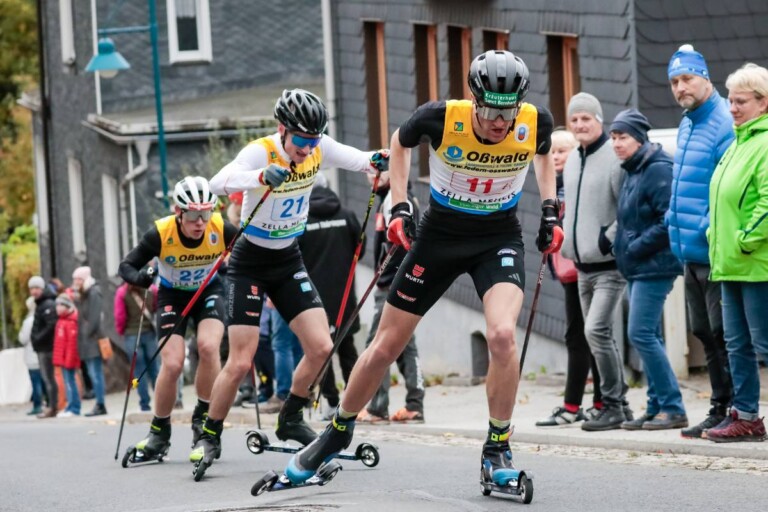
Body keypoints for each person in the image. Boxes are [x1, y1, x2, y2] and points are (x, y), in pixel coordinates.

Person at [284, 50, 560, 485]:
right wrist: (399, 206)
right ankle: (337, 430)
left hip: (497, 239)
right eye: (489, 110)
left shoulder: (533, 121)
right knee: (385, 344)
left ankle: (497, 446)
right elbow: (399, 143)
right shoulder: (439, 117)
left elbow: (543, 152)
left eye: (506, 112)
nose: (498, 123)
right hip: (439, 239)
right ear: (473, 100)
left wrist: (550, 209)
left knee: (503, 335)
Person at [194, 88, 387, 474]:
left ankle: (291, 415)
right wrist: (259, 177)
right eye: (300, 140)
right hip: (250, 260)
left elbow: (359, 159)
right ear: (282, 129)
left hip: (288, 257)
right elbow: (218, 181)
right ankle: (208, 433)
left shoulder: (317, 146)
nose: (307, 147)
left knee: (321, 346)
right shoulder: (260, 151)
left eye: (313, 140)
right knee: (241, 359)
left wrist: (379, 159)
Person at [119, 176, 237, 462]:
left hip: (209, 291)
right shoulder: (161, 233)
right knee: (172, 363)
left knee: (209, 348)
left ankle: (203, 417)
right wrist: (141, 277)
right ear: (178, 212)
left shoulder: (220, 227)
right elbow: (126, 266)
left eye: (206, 213)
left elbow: (249, 252)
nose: (201, 222)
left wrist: (233, 267)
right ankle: (159, 432)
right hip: (173, 297)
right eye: (194, 215)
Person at [666, 44, 736, 439]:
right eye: (675, 81)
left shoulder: (723, 121)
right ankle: (718, 406)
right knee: (704, 332)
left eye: (687, 78)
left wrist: (707, 228)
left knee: (723, 333)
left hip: (712, 250)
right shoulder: (687, 121)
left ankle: (735, 409)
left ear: (705, 78)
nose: (680, 87)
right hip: (687, 252)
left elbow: (726, 186)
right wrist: (671, 222)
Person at [609, 109, 688, 430]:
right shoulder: (633, 169)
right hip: (638, 266)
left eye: (622, 137)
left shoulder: (657, 169)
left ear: (640, 138)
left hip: (655, 265)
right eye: (613, 137)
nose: (616, 144)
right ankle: (657, 407)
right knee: (650, 334)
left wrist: (636, 246)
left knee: (639, 332)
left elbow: (667, 220)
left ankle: (673, 406)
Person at [561, 92, 633, 432]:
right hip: (581, 267)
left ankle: (613, 403)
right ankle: (619, 403)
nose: (579, 125)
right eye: (574, 119)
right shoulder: (574, 158)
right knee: (597, 337)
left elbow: (627, 207)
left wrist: (610, 235)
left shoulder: (613, 157)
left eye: (586, 118)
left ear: (599, 120)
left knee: (596, 331)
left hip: (608, 266)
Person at [706, 63, 768, 443]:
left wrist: (745, 239)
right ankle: (747, 416)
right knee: (737, 346)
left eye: (741, 101)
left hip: (756, 263)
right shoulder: (738, 142)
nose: (732, 107)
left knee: (764, 345)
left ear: (764, 103)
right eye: (730, 100)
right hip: (729, 262)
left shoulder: (763, 144)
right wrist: (718, 235)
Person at [537, 127, 602, 426]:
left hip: (584, 268)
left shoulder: (576, 183)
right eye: (551, 152)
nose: (556, 157)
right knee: (578, 336)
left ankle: (583, 404)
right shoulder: (548, 189)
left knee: (587, 336)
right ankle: (579, 404)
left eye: (562, 150)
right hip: (566, 272)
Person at [358, 177, 426, 424]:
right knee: (406, 344)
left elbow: (401, 244)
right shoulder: (403, 198)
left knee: (378, 343)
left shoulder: (395, 199)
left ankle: (377, 407)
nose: (370, 176)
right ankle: (415, 405)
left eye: (377, 170)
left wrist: (387, 276)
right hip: (401, 280)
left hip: (392, 282)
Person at [297, 172, 363, 417]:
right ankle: (357, 400)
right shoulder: (346, 215)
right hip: (345, 293)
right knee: (347, 347)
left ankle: (332, 402)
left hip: (314, 298)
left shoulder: (300, 221)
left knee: (321, 350)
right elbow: (361, 247)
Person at [114, 280, 160, 412]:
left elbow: (120, 316)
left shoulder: (122, 292)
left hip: (132, 336)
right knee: (154, 370)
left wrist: (122, 331)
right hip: (150, 334)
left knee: (138, 373)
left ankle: (144, 403)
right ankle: (161, 400)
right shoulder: (151, 289)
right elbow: (156, 307)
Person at [71, 266, 108, 417]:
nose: (76, 282)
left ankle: (100, 404)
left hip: (92, 339)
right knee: (93, 373)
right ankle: (99, 403)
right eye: (75, 279)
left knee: (95, 373)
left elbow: (93, 318)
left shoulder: (93, 293)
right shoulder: (84, 294)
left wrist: (86, 332)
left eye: (79, 279)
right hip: (87, 340)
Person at [28, 276, 59, 419]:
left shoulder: (47, 304)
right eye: (31, 288)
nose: (33, 291)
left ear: (42, 288)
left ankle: (53, 407)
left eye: (36, 288)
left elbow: (50, 325)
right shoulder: (41, 303)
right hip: (42, 347)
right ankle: (51, 406)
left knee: (49, 378)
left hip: (47, 347)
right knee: (47, 378)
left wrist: (37, 338)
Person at [53, 293, 81, 418]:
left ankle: (74, 408)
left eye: (61, 305)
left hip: (68, 360)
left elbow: (71, 344)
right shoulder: (61, 321)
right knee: (67, 382)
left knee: (70, 383)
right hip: (63, 359)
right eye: (57, 305)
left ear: (67, 306)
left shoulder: (70, 322)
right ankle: (69, 406)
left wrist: (69, 360)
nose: (58, 308)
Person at [19, 296, 44, 416]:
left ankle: (38, 405)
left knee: (35, 381)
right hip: (41, 352)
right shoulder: (41, 317)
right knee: (43, 379)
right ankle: (47, 402)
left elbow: (23, 338)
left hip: (31, 353)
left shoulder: (28, 321)